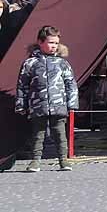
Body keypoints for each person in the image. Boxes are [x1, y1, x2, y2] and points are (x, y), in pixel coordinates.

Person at [15, 25, 78, 172]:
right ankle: (35, 161)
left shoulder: (63, 63)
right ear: (40, 42)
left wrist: (72, 103)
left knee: (60, 134)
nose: (54, 46)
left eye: (56, 43)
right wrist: (21, 104)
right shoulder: (30, 63)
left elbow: (71, 84)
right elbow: (22, 85)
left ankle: (64, 160)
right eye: (50, 42)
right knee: (38, 134)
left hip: (58, 105)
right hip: (38, 105)